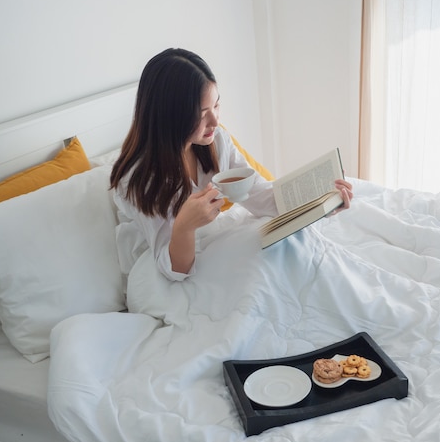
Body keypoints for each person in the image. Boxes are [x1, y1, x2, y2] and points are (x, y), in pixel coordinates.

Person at [110, 48, 353, 281]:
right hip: (164, 269)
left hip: (210, 244)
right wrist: (184, 226)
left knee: (294, 250)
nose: (215, 121)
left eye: (216, 105)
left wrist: (321, 204)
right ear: (171, 115)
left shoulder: (216, 143)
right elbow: (174, 268)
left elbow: (260, 196)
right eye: (202, 113)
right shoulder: (137, 179)